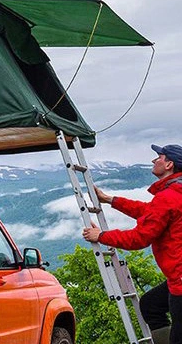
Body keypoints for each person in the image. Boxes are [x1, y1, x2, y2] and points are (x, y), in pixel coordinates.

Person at [82, 144, 182, 344]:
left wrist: (101, 236)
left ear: (169, 164)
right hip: (177, 277)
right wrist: (110, 199)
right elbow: (150, 212)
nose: (154, 161)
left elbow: (139, 238)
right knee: (151, 305)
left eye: (159, 157)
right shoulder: (175, 193)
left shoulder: (169, 197)